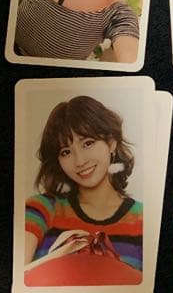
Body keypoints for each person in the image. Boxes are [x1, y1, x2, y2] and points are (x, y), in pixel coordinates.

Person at [24, 96, 143, 282]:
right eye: (66, 152)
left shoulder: (142, 219)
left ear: (111, 142)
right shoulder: (42, 209)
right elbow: (14, 279)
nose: (80, 161)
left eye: (87, 143)